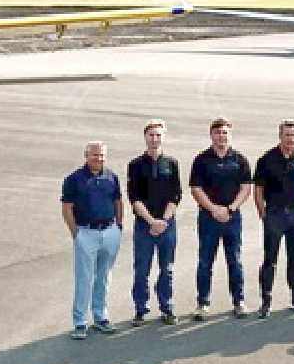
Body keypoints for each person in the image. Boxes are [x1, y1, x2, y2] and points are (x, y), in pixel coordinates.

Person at [60, 141, 124, 339]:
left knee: (104, 276)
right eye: (95, 155)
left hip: (109, 231)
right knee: (84, 278)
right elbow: (67, 207)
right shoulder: (74, 179)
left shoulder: (111, 177)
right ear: (86, 156)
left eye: (102, 155)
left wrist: (118, 226)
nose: (99, 159)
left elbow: (118, 201)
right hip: (86, 232)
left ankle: (101, 317)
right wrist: (76, 233)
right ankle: (80, 322)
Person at [189, 117, 252, 319]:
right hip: (209, 218)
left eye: (225, 132)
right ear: (211, 135)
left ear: (229, 135)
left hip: (232, 218)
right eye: (217, 132)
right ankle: (203, 303)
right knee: (205, 261)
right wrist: (214, 209)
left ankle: (239, 301)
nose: (221, 136)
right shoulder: (201, 160)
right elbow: (196, 188)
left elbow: (245, 188)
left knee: (235, 260)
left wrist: (230, 209)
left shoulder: (239, 160)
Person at [253, 119, 294, 318]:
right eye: (288, 135)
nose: (291, 139)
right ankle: (266, 300)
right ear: (280, 136)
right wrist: (262, 213)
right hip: (275, 215)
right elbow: (259, 189)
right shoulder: (267, 159)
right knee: (270, 259)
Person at [127, 120, 181, 326]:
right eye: (151, 135)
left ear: (163, 137)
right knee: (142, 269)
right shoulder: (136, 165)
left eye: (158, 135)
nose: (155, 138)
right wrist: (150, 221)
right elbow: (134, 198)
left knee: (167, 269)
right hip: (144, 225)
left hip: (167, 224)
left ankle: (166, 307)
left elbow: (176, 195)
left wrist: (164, 221)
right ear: (145, 137)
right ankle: (141, 309)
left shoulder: (172, 163)